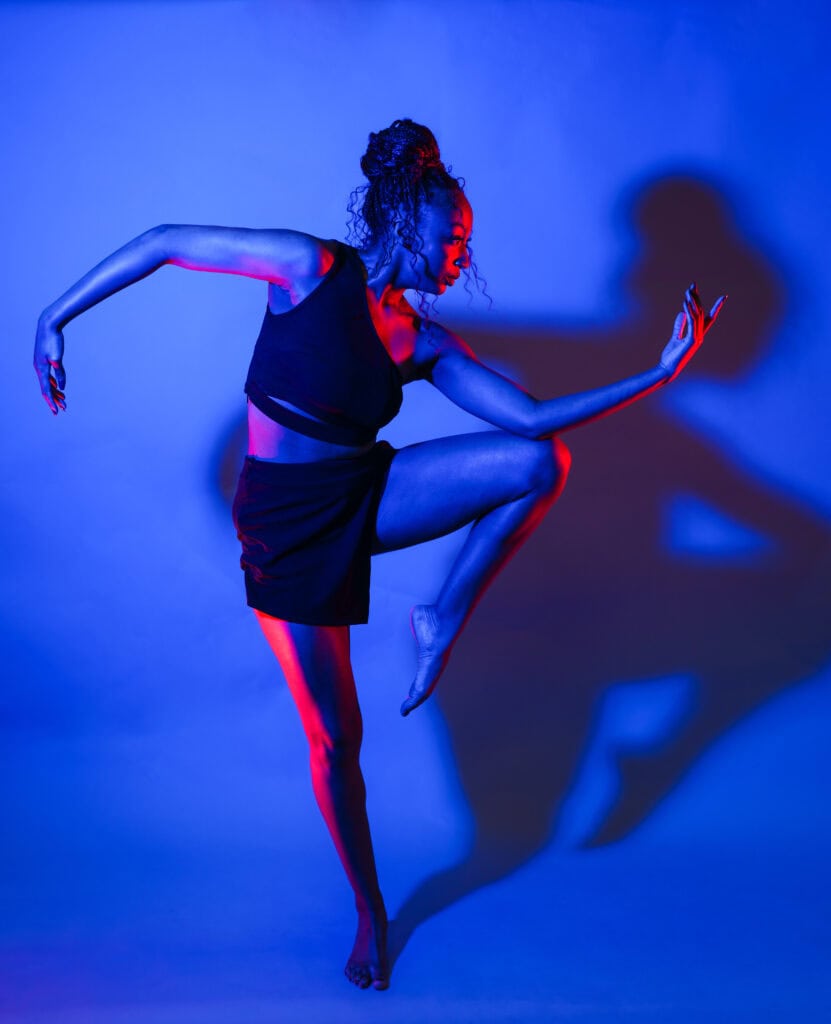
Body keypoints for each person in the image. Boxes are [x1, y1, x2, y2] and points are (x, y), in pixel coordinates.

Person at [33, 118, 725, 991]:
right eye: (452, 238)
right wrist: (54, 319)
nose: (458, 257)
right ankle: (370, 911)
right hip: (286, 527)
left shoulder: (420, 340)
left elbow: (530, 421)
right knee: (335, 740)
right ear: (405, 222)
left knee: (539, 463)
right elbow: (165, 242)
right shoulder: (308, 267)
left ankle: (441, 614)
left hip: (363, 497)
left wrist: (658, 373)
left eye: (466, 243)